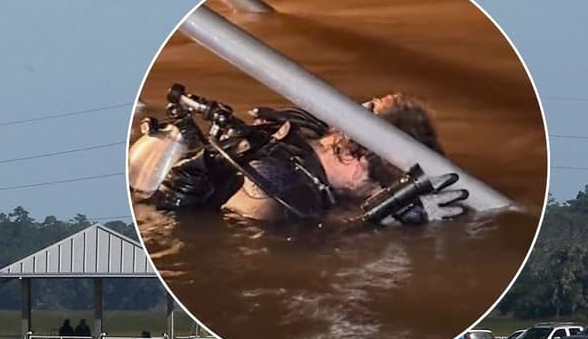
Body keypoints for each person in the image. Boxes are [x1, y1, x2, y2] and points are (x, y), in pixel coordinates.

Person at [139, 90, 466, 226]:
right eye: (386, 183)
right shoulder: (280, 189)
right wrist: (379, 220)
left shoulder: (290, 142)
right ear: (360, 163)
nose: (383, 190)